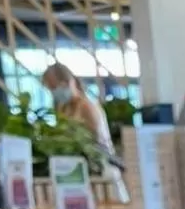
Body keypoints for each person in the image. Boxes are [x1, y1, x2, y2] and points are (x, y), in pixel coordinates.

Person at [42, 62, 128, 200]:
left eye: (54, 87)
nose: (53, 92)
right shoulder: (62, 108)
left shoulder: (88, 107)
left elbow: (95, 141)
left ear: (67, 82)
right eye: (50, 89)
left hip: (101, 169)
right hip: (78, 171)